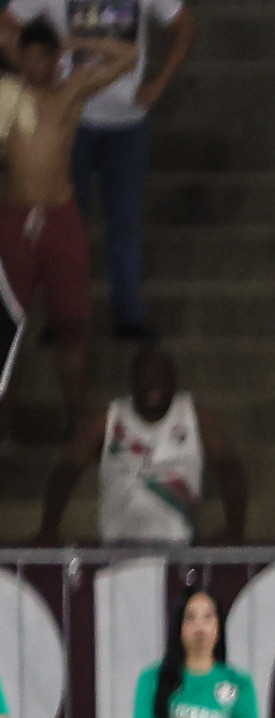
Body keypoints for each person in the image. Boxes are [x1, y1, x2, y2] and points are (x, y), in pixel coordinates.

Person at [1, 0, 195, 340]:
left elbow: (183, 27)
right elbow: (6, 25)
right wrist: (39, 60)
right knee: (61, 220)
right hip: (73, 114)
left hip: (127, 119)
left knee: (125, 220)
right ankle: (60, 315)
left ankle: (128, 315)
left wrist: (159, 82)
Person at [0, 24, 137, 435]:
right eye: (31, 56)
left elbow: (127, 57)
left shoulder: (70, 93)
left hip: (60, 219)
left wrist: (75, 43)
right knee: (8, 329)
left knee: (72, 327)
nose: (38, 64)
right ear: (20, 58)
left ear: (55, 59)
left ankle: (78, 421)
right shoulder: (7, 96)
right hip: (13, 221)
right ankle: (4, 420)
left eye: (46, 56)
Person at [38, 344, 246, 545]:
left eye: (160, 377)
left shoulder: (195, 416)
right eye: (144, 377)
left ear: (173, 380)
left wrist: (235, 529)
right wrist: (48, 531)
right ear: (132, 381)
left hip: (179, 550)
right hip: (117, 549)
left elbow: (230, 470)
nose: (152, 385)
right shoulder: (109, 418)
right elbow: (66, 472)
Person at [130, 590, 259, 718]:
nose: (200, 626)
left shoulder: (239, 682)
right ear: (179, 626)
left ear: (218, 625)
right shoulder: (153, 678)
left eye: (207, 617)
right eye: (190, 617)